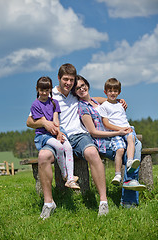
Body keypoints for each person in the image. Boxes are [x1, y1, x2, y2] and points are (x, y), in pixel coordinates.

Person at [27, 63, 111, 219]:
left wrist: (114, 99)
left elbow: (93, 98)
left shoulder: (75, 92)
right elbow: (29, 121)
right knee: (43, 157)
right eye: (65, 79)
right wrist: (44, 123)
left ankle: (103, 202)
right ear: (58, 78)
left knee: (92, 152)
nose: (68, 83)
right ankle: (48, 203)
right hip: (54, 136)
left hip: (79, 135)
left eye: (71, 80)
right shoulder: (49, 95)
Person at [72, 75, 146, 207]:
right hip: (103, 142)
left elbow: (111, 100)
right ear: (74, 92)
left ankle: (129, 187)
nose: (82, 89)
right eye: (77, 88)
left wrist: (120, 101)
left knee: (135, 144)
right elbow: (93, 132)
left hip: (113, 136)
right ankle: (129, 197)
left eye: (83, 85)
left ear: (87, 85)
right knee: (135, 145)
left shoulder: (96, 101)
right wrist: (119, 132)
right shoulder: (83, 107)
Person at [30, 76, 80, 190]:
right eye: (42, 90)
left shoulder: (54, 102)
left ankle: (71, 178)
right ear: (37, 89)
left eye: (47, 90)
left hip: (56, 130)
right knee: (59, 147)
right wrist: (56, 133)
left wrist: (59, 132)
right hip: (43, 135)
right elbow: (46, 123)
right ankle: (65, 175)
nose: (44, 93)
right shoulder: (35, 105)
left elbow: (56, 120)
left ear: (50, 90)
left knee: (68, 147)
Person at [97, 78, 141, 185]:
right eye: (110, 91)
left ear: (119, 92)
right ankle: (117, 174)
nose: (113, 93)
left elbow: (123, 119)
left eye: (115, 91)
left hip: (126, 128)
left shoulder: (121, 104)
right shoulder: (104, 106)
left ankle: (130, 161)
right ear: (105, 92)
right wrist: (120, 130)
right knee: (120, 150)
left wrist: (125, 129)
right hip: (116, 131)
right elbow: (106, 124)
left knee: (131, 139)